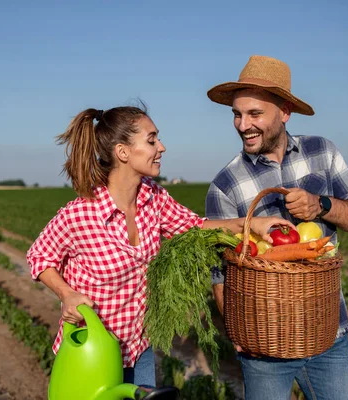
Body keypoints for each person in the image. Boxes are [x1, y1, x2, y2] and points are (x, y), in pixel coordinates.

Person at [26, 104, 294, 389]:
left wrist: (250, 224)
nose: (161, 147)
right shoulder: (81, 213)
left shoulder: (153, 198)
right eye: (152, 140)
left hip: (137, 348)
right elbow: (39, 256)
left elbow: (195, 227)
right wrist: (66, 294)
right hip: (90, 352)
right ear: (123, 152)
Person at [205, 55, 348, 400]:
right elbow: (219, 274)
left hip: (329, 335)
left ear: (284, 111)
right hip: (264, 347)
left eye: (255, 114)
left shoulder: (322, 153)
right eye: (237, 115)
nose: (242, 125)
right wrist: (239, 333)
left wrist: (322, 205)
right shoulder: (225, 185)